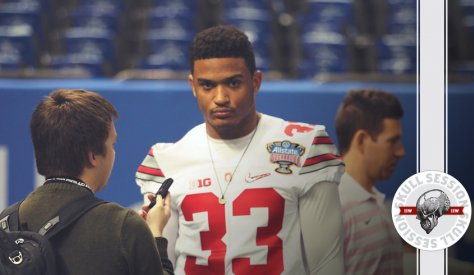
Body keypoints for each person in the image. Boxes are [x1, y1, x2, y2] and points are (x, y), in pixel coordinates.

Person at [135, 25, 345, 274]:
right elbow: (161, 265)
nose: (221, 97)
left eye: (233, 83)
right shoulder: (166, 159)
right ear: (192, 85)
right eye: (207, 85)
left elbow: (326, 264)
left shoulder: (304, 147)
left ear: (255, 81)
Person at [18, 89, 174, 275]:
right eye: (112, 144)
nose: (114, 153)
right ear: (93, 155)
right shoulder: (123, 226)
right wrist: (154, 232)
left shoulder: (5, 221)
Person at [334, 89, 405, 274]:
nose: (400, 152)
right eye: (392, 141)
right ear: (362, 140)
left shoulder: (372, 199)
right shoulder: (334, 207)